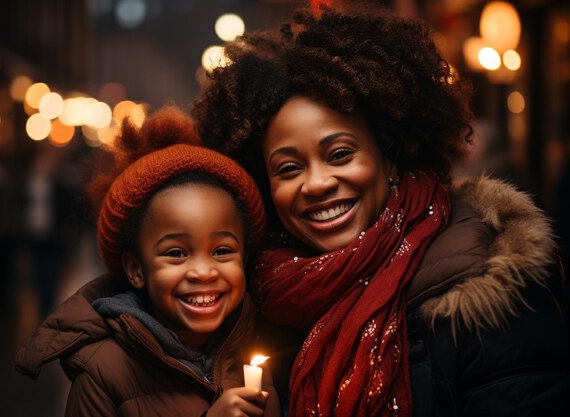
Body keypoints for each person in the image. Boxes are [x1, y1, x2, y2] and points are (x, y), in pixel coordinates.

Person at [192, 3, 570, 417]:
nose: (316, 183)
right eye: (289, 168)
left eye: (339, 154)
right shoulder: (264, 304)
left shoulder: (487, 290)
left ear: (390, 157)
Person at [15, 106, 281, 417]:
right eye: (176, 253)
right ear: (136, 270)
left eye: (222, 251)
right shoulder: (103, 376)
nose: (203, 271)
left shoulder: (254, 348)